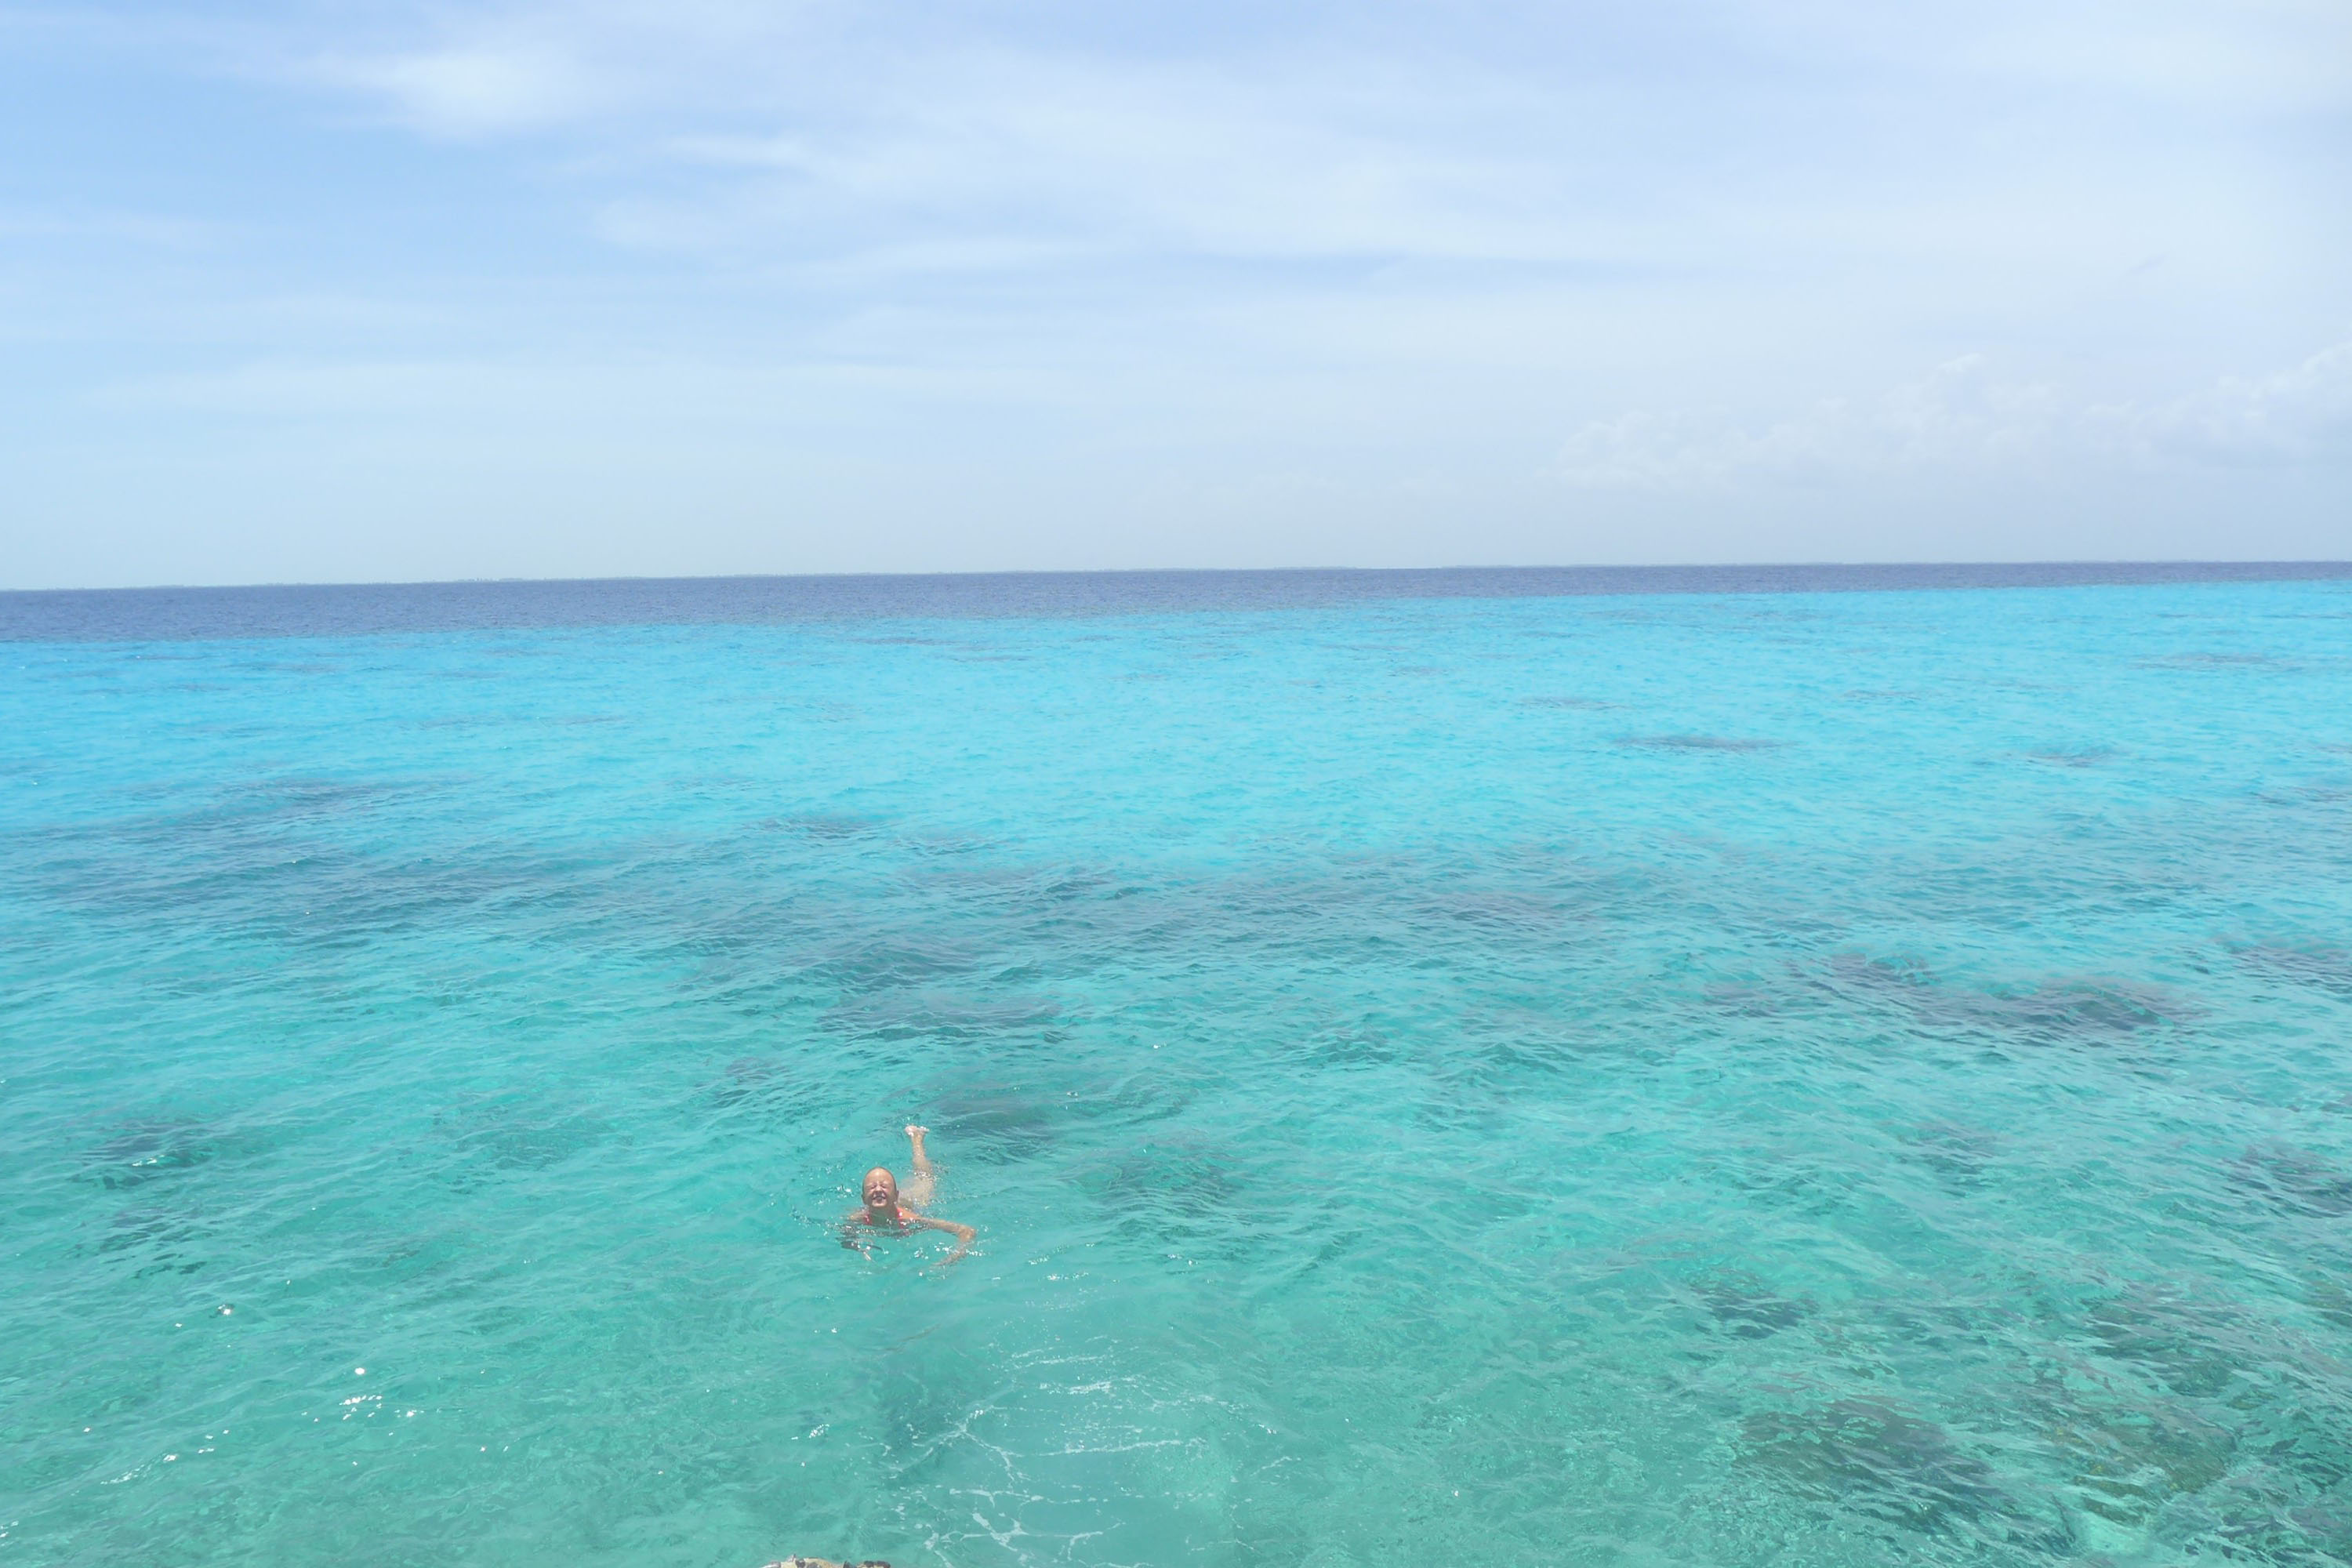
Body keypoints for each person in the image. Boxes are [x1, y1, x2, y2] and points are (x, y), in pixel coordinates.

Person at [842, 1125, 974, 1266]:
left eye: (884, 1186)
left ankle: (917, 1139)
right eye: (872, 1187)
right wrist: (860, 1250)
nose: (878, 1190)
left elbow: (966, 1231)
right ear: (863, 1199)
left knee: (924, 1176)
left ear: (895, 1196)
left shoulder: (911, 1220)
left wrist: (955, 1256)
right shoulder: (857, 1219)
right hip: (899, 1200)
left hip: (916, 1199)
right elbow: (847, 1239)